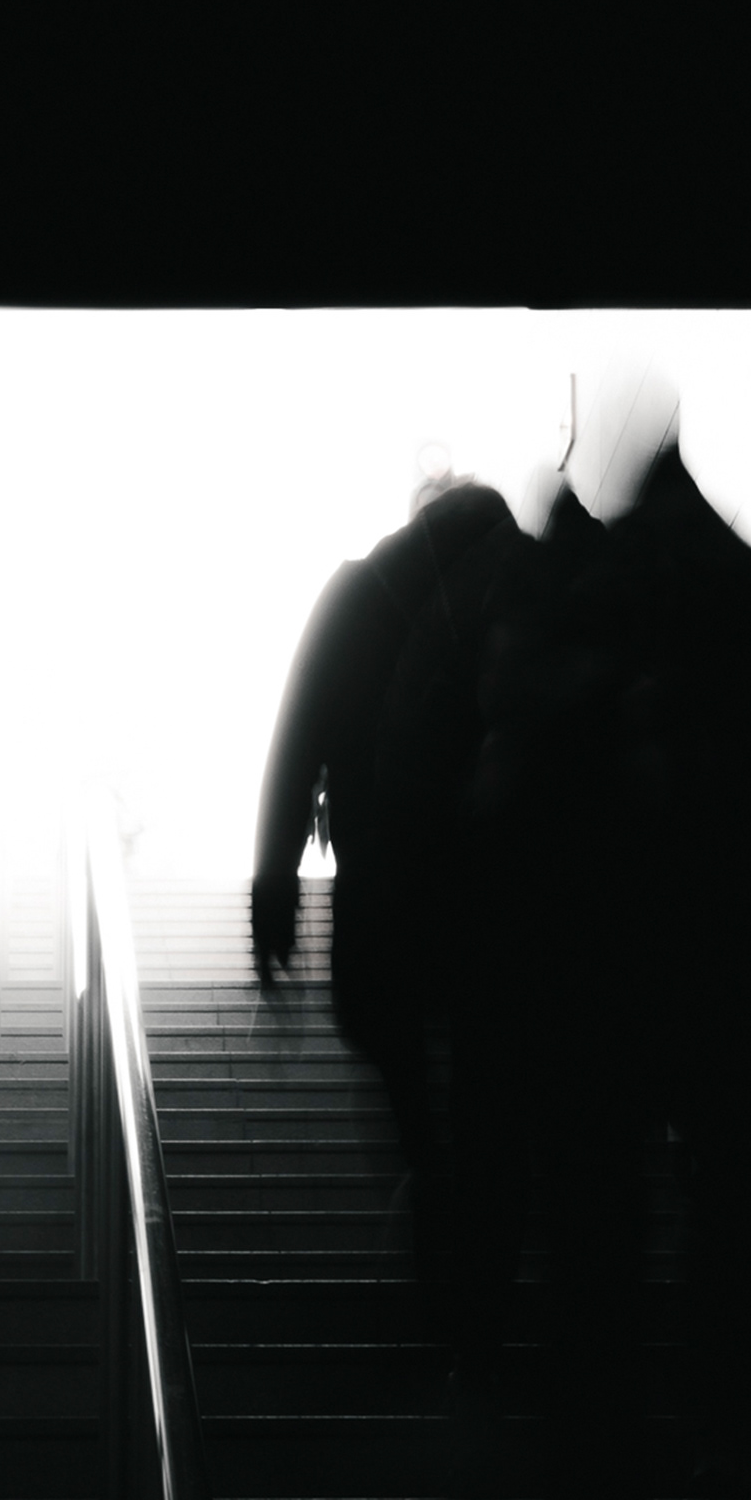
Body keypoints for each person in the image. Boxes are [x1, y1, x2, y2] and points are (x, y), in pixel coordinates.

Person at [462, 398, 751, 1500]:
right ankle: (744, 1471)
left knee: (593, 1247)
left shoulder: (567, 617)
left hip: (594, 993)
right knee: (748, 1233)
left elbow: (506, 814)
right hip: (748, 986)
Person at [248, 474, 529, 1330]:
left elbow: (296, 741)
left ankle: (430, 1189)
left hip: (383, 898)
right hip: (495, 905)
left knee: (405, 1070)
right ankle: (480, 1285)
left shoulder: (360, 595)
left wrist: (275, 891)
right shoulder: (520, 586)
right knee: (490, 1087)